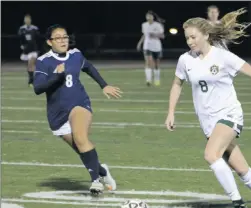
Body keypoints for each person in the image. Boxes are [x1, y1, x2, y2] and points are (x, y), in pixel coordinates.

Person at [164, 13, 251, 208]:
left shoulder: (222, 56)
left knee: (211, 155)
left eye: (193, 37)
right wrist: (171, 112)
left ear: (205, 35)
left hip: (229, 114)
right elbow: (177, 84)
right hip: (209, 123)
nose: (190, 41)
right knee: (242, 170)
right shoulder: (185, 60)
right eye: (187, 38)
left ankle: (238, 204)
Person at [33, 24, 122, 195]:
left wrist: (104, 85)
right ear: (49, 42)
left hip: (80, 103)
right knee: (81, 149)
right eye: (58, 38)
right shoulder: (44, 61)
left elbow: (88, 67)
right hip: (57, 114)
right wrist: (57, 76)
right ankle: (102, 171)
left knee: (81, 138)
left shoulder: (75, 54)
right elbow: (37, 88)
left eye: (65, 37)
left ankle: (96, 181)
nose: (62, 40)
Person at [136, 10, 165, 86]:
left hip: (156, 47)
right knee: (148, 62)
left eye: (150, 16)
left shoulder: (158, 25)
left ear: (153, 17)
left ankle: (157, 79)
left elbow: (162, 36)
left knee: (156, 64)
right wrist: (139, 43)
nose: (148, 17)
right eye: (147, 16)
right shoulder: (144, 25)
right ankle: (148, 80)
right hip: (147, 46)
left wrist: (155, 35)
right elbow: (144, 35)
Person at [18, 14, 40, 86]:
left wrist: (38, 49)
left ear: (30, 20)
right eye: (26, 19)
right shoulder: (22, 29)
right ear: (24, 20)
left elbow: (38, 39)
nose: (27, 21)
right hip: (26, 50)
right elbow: (20, 38)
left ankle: (31, 81)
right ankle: (31, 78)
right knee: (28, 66)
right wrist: (21, 45)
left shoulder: (35, 28)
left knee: (31, 64)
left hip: (33, 49)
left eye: (28, 19)